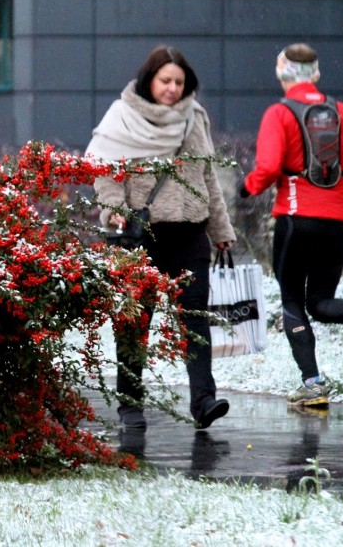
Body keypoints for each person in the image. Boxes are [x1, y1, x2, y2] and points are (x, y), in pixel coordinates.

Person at [87, 45, 237, 431]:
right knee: (134, 322)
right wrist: (114, 209)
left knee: (195, 320)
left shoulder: (194, 118)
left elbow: (208, 177)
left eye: (179, 82)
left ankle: (203, 401)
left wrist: (222, 231)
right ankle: (129, 404)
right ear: (149, 80)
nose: (172, 88)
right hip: (141, 235)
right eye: (165, 80)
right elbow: (105, 170)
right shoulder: (123, 116)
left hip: (191, 233)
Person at [239, 43, 343, 408]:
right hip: (337, 221)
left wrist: (247, 188)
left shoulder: (279, 113)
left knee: (294, 302)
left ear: (282, 72)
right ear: (316, 73)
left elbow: (265, 170)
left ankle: (313, 385)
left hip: (296, 219)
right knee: (322, 302)